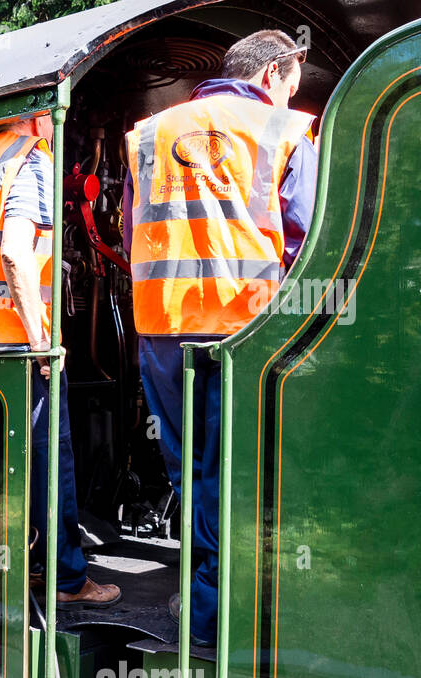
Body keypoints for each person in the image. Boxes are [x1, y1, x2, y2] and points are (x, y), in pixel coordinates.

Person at [123, 30, 318, 643]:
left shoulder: (148, 133)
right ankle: (217, 616)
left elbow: (136, 228)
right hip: (242, 330)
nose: (293, 95)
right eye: (292, 82)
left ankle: (201, 597)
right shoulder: (285, 130)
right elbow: (304, 238)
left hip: (161, 328)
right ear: (272, 73)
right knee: (232, 475)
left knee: (189, 473)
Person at [0, 115, 121, 606]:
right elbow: (15, 254)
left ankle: (28, 565)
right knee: (50, 461)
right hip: (9, 341)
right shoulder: (30, 158)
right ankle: (67, 579)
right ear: (40, 116)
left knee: (7, 469)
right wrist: (41, 341)